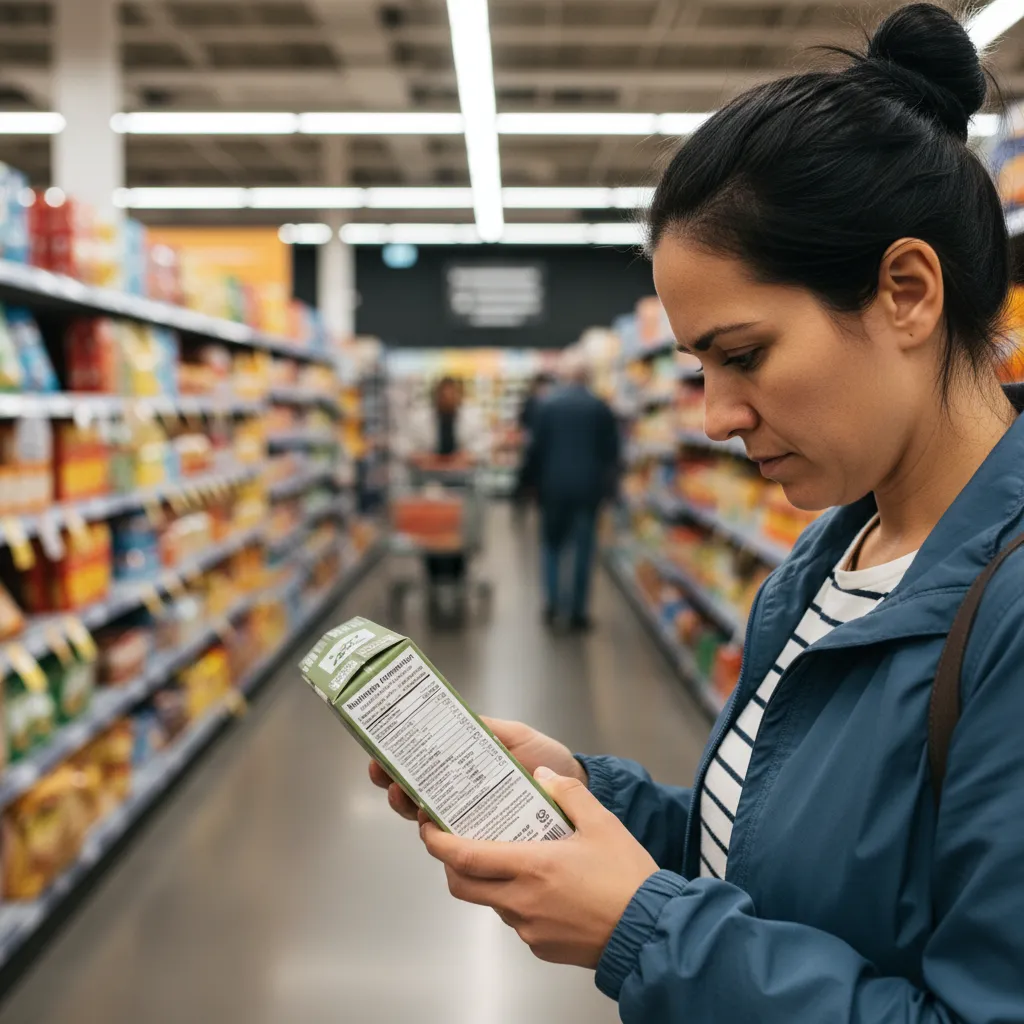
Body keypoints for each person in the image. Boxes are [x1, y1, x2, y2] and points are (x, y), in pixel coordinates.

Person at [370, 5, 1024, 1020]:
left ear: (906, 291)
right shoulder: (822, 563)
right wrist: (584, 792)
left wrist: (641, 929)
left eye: (744, 353)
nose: (715, 416)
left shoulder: (1010, 615)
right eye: (697, 366)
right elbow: (764, 862)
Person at [523, 353, 619, 630]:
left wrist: (530, 484)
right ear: (587, 377)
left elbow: (535, 449)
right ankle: (577, 612)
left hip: (552, 488)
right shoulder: (600, 407)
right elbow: (611, 453)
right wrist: (609, 490)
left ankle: (553, 605)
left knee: (552, 546)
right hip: (589, 489)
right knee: (583, 550)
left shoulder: (547, 406)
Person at [398, 376, 487, 601]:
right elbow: (406, 445)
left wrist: (468, 457)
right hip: (429, 485)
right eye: (444, 394)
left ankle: (457, 574)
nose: (448, 399)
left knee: (460, 535)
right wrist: (421, 458)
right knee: (432, 537)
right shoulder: (420, 418)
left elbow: (483, 444)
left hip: (462, 486)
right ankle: (434, 575)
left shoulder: (472, 417)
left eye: (453, 394)